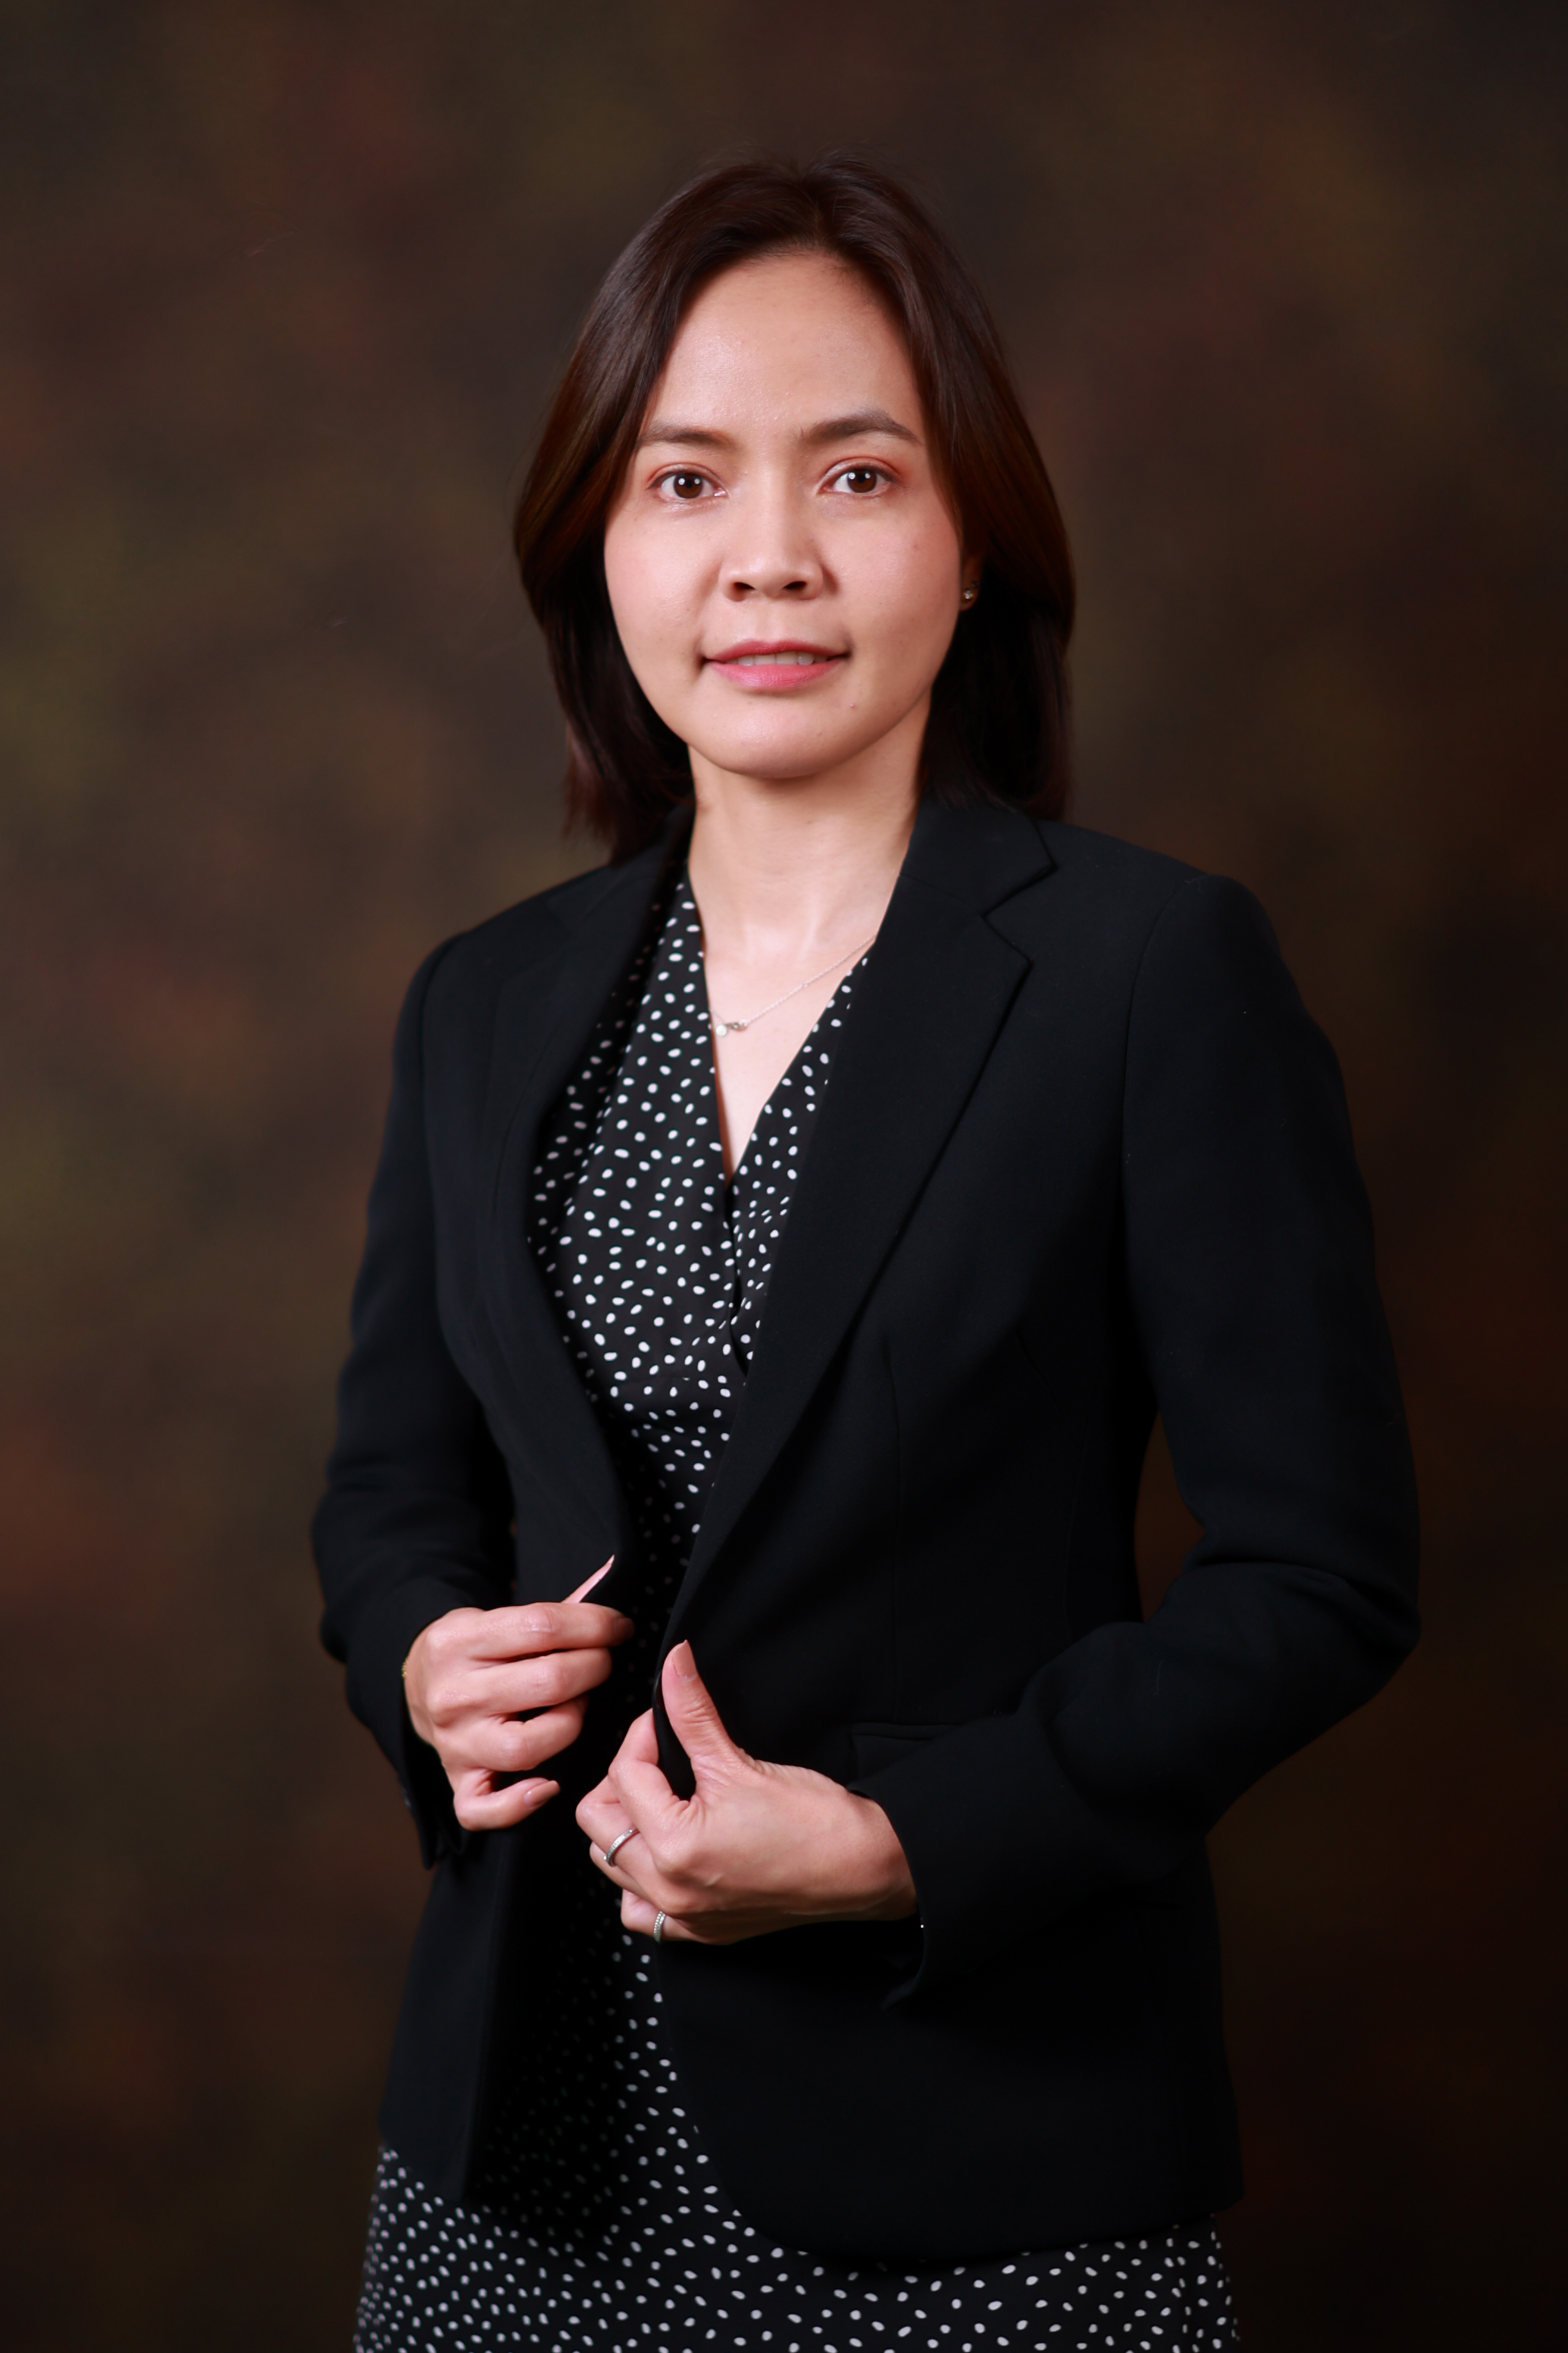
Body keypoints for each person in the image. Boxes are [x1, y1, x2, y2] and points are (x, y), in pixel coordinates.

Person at [315, 153, 1419, 2353]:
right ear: (598, 544)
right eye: (684, 480)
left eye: (856, 472)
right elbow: (389, 1486)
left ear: (972, 532)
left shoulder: (1149, 976)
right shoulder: (483, 1002)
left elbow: (1318, 1575)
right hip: (510, 2151)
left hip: (981, 2151)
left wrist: (909, 1835)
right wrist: (421, 1658)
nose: (768, 558)